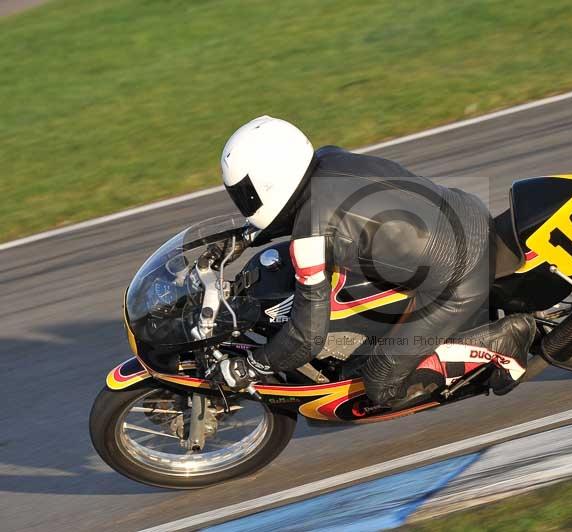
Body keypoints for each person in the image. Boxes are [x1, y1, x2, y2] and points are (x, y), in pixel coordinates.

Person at [217, 115, 535, 408]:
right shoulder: (329, 157)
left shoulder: (311, 239)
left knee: (381, 383)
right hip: (467, 211)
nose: (245, 201)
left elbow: (306, 339)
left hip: (460, 278)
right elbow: (304, 211)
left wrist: (253, 365)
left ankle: (502, 340)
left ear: (271, 180)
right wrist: (245, 237)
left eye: (246, 192)